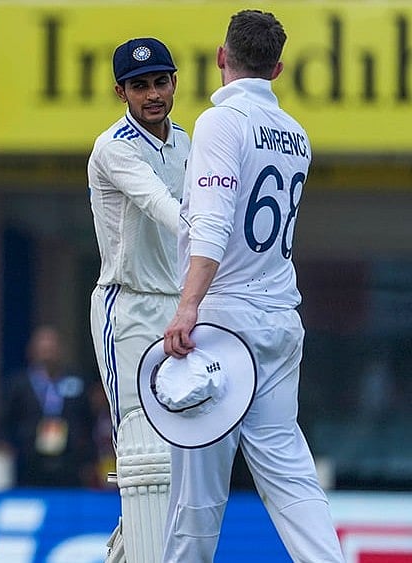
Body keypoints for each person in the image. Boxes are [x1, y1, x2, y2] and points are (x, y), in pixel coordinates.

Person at [161, 10, 344, 562]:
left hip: (223, 320)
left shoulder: (220, 123)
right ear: (278, 68)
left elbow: (213, 224)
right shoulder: (295, 134)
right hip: (280, 319)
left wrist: (186, 307)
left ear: (221, 57)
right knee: (290, 476)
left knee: (197, 491)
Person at [87, 36, 189, 563]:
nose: (153, 94)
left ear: (174, 83)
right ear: (120, 91)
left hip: (179, 304)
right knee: (141, 449)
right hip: (128, 307)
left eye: (160, 82)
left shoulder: (188, 142)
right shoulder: (114, 147)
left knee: (177, 452)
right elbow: (160, 205)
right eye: (140, 85)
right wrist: (206, 231)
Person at [1, 325, 97, 488]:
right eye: (43, 349)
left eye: (51, 349)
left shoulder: (76, 381)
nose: (48, 355)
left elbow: (87, 419)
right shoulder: (20, 384)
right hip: (31, 459)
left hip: (69, 459)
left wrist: (87, 455)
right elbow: (7, 419)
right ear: (33, 351)